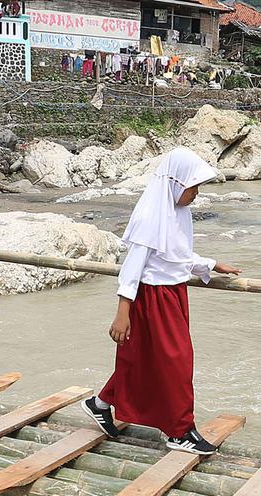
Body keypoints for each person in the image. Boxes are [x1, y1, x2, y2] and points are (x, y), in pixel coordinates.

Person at [82, 148, 241, 454]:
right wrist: (122, 312)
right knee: (177, 363)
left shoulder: (177, 213)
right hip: (152, 297)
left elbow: (176, 256)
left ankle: (100, 403)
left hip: (173, 292)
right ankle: (180, 431)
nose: (195, 194)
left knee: (146, 360)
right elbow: (133, 267)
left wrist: (210, 264)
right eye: (192, 186)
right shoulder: (149, 215)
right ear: (175, 183)